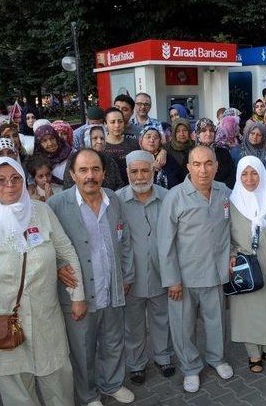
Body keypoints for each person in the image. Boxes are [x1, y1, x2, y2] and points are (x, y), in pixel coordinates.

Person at [0, 157, 85, 406]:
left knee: (57, 376)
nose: (10, 185)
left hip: (45, 315)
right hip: (2, 318)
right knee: (16, 386)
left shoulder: (41, 211)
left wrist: (77, 297)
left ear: (24, 180)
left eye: (15, 178)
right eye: (0, 181)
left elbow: (66, 252)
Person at [47, 149, 135, 406]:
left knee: (113, 342)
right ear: (72, 174)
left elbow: (125, 240)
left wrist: (126, 276)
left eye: (95, 169)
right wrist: (55, 268)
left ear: (104, 173)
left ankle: (113, 384)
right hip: (79, 294)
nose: (90, 176)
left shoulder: (113, 200)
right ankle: (88, 395)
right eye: (83, 170)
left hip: (112, 286)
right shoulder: (56, 205)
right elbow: (46, 247)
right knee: (83, 349)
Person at [158, 146, 234, 393]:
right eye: (197, 164)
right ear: (189, 167)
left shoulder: (224, 192)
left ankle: (217, 358)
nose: (203, 170)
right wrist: (172, 280)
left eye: (208, 163)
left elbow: (236, 226)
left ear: (216, 166)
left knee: (217, 323)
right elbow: (165, 241)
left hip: (215, 273)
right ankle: (190, 368)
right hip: (184, 278)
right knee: (183, 326)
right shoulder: (175, 197)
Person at [116, 151, 174, 386]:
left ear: (153, 170)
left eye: (144, 170)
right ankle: (137, 364)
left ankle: (163, 357)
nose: (140, 177)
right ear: (128, 173)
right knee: (133, 324)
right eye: (134, 171)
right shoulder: (117, 200)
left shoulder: (167, 197)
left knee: (162, 318)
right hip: (131, 275)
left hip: (161, 272)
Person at [229, 156, 266, 374]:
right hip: (245, 264)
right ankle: (253, 353)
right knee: (248, 309)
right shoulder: (231, 202)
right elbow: (225, 235)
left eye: (254, 173)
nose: (250, 179)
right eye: (244, 174)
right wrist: (231, 253)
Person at [63, 126, 124, 191]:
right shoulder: (75, 159)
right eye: (95, 138)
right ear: (85, 139)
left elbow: (119, 184)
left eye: (102, 138)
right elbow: (68, 187)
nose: (99, 141)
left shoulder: (109, 160)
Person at [194, 118, 235, 189]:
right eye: (203, 131)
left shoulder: (224, 153)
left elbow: (231, 176)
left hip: (221, 194)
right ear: (197, 134)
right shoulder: (192, 154)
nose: (208, 133)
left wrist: (219, 190)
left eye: (211, 130)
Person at [103, 107, 140, 185]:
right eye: (112, 122)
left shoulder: (134, 143)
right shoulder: (100, 146)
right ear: (105, 124)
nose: (117, 125)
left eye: (120, 121)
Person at [139, 125, 183, 189]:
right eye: (148, 137)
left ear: (159, 141)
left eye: (155, 137)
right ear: (141, 140)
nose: (152, 140)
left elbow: (181, 178)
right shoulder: (136, 158)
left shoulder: (168, 157)